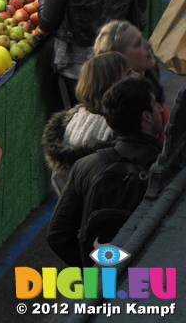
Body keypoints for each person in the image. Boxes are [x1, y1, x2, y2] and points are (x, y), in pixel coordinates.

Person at [47, 77, 164, 267]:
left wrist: (94, 273)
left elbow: (57, 235)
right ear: (147, 116)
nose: (160, 109)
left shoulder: (84, 166)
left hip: (100, 282)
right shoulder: (164, 170)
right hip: (148, 283)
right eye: (155, 104)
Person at [42, 51, 132, 196]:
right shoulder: (113, 127)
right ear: (112, 84)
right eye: (128, 73)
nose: (135, 76)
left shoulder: (76, 117)